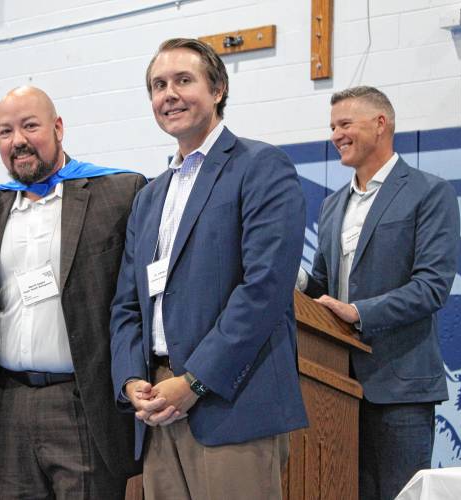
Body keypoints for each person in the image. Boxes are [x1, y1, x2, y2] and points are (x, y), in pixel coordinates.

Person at [110, 38, 307, 499]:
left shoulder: (260, 167)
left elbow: (264, 290)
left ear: (218, 89)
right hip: (157, 404)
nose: (169, 94)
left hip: (229, 400)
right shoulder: (149, 195)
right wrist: (131, 379)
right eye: (158, 85)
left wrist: (195, 381)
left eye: (183, 80)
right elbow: (126, 304)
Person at [0, 86, 145, 499]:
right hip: (9, 405)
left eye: (30, 126)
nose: (18, 141)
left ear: (58, 127)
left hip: (82, 402)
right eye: (5, 131)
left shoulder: (118, 194)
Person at [297, 86, 460, 500]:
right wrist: (282, 276)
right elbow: (319, 286)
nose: (335, 134)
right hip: (334, 386)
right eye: (332, 126)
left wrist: (358, 312)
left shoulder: (429, 192)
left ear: (381, 123)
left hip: (400, 389)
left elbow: (431, 287)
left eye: (345, 124)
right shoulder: (333, 205)